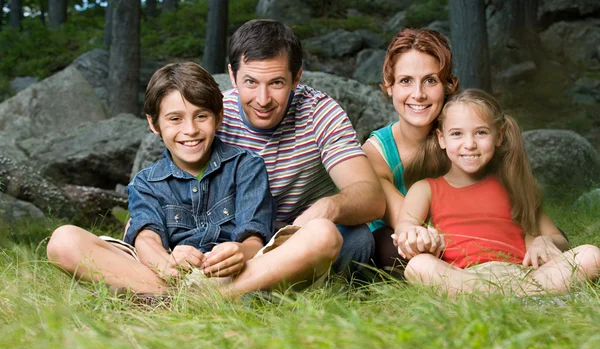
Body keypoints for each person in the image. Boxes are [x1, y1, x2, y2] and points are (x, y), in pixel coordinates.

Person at [46, 62, 341, 299]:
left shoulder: (246, 166)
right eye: (175, 119)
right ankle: (179, 295)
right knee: (63, 240)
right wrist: (167, 262)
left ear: (219, 117)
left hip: (238, 271)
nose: (190, 130)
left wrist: (238, 252)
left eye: (201, 116)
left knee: (324, 234)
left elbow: (254, 237)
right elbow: (145, 237)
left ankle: (205, 297)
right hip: (165, 273)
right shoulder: (146, 182)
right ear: (154, 123)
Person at [217, 19, 385, 278]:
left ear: (296, 78)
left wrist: (329, 207)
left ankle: (253, 283)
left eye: (276, 83)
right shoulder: (214, 115)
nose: (262, 100)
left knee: (358, 241)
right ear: (232, 76)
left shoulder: (320, 112)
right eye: (250, 82)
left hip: (304, 232)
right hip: (236, 233)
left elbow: (373, 199)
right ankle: (272, 282)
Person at [393, 88, 600, 296]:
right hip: (462, 276)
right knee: (419, 266)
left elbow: (559, 239)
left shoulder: (513, 185)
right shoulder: (426, 188)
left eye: (481, 132)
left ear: (498, 136)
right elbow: (404, 228)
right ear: (442, 139)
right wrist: (416, 237)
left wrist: (544, 241)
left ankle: (495, 297)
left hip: (522, 274)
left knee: (591, 255)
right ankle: (521, 297)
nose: (470, 144)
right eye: (457, 134)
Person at [362, 28, 458, 273]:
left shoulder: (463, 140)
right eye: (406, 81)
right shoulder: (375, 152)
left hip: (456, 236)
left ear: (447, 85)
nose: (418, 94)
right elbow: (407, 223)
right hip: (402, 242)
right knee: (389, 246)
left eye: (430, 80)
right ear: (389, 86)